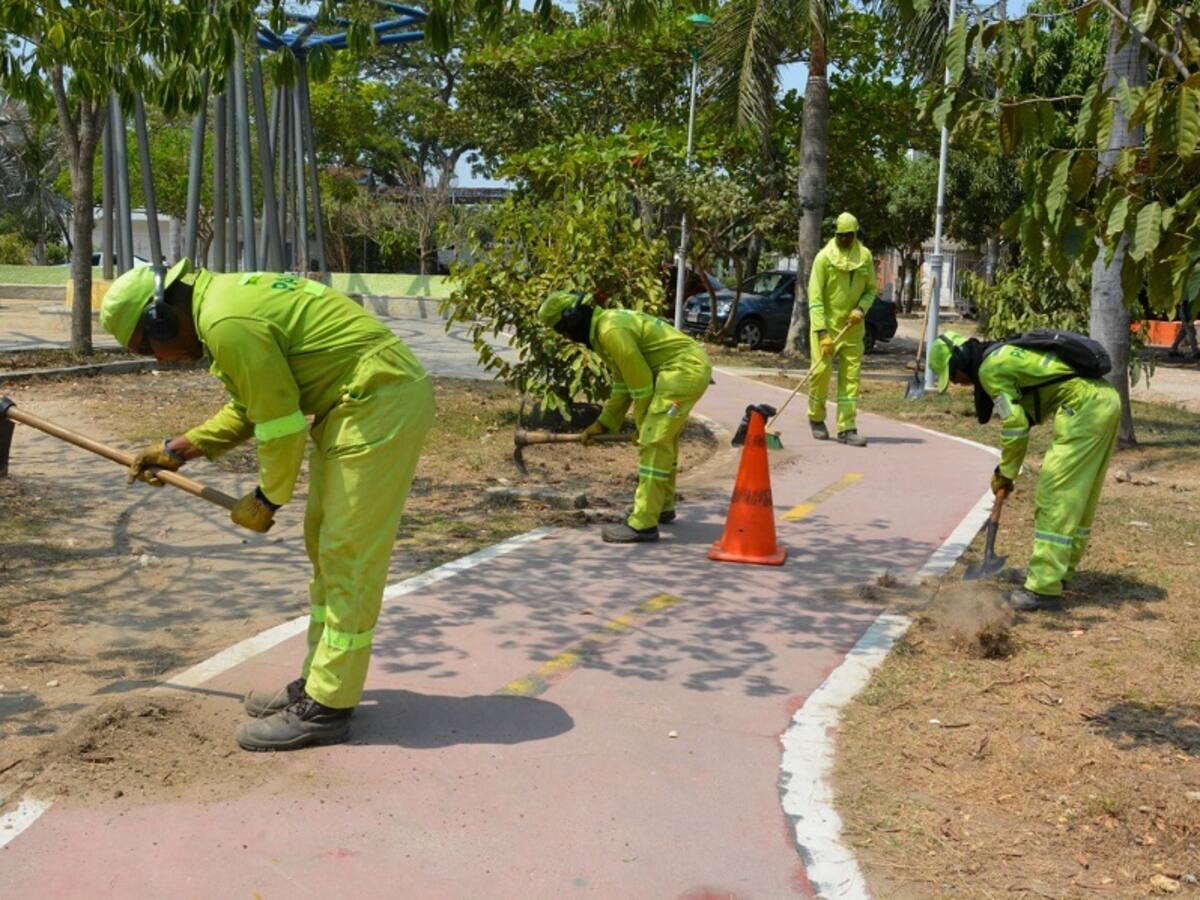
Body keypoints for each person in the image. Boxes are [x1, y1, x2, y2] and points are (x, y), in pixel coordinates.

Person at [99, 261, 434, 751]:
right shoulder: (221, 308)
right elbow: (251, 404)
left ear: (161, 320)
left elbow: (280, 424)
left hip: (378, 402)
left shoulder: (226, 321)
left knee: (348, 554)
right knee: (326, 549)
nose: (159, 360)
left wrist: (267, 498)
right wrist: (179, 450)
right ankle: (319, 683)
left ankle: (328, 708)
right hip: (357, 404)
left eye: (148, 347)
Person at [929, 331, 1120, 611]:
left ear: (959, 361)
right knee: (1078, 496)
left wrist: (1006, 473)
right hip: (1105, 400)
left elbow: (1015, 427)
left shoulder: (990, 369)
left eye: (954, 376)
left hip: (1084, 408)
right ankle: (1059, 572)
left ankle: (1043, 587)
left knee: (1055, 495)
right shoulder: (1001, 354)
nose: (958, 383)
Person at [537, 291, 711, 544]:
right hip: (681, 370)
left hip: (683, 372)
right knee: (664, 437)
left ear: (572, 321)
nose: (566, 338)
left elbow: (641, 386)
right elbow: (623, 383)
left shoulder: (610, 331)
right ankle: (661, 505)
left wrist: (642, 427)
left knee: (653, 441)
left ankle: (643, 524)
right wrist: (604, 423)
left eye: (563, 331)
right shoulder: (605, 329)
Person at [807, 212, 876, 447]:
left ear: (855, 234)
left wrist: (861, 309)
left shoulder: (865, 257)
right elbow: (815, 299)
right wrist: (822, 333)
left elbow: (871, 290)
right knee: (820, 373)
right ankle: (816, 418)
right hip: (826, 329)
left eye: (849, 235)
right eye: (840, 235)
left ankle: (847, 427)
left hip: (853, 329)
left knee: (850, 379)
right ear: (835, 234)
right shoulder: (823, 258)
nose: (844, 239)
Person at [1168, 295, 1198, 360]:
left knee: (1182, 333)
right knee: (1191, 333)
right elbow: (1185, 304)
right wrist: (1187, 317)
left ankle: (1173, 349)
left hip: (1186, 315)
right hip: (1186, 316)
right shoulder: (1189, 292)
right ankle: (1195, 352)